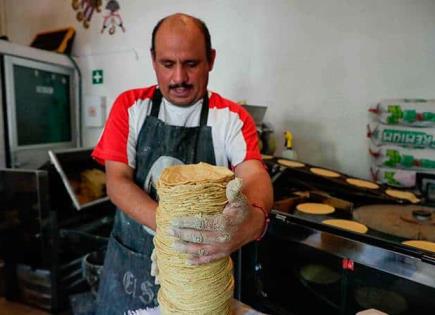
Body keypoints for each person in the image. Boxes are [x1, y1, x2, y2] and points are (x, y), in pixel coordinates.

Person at [92, 12, 273, 314]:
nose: (179, 78)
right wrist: (172, 230)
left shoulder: (231, 118)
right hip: (131, 269)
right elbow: (117, 181)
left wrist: (253, 220)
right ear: (153, 60)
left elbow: (254, 175)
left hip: (199, 275)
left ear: (211, 60)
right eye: (167, 64)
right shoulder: (130, 107)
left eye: (191, 64)